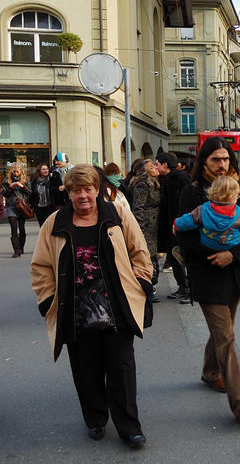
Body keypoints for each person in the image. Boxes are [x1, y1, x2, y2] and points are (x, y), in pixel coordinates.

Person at [30, 164, 152, 449]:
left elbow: (139, 250)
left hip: (116, 307)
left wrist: (142, 283)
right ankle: (95, 418)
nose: (83, 195)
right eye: (76, 190)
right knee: (86, 370)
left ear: (98, 190)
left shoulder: (116, 214)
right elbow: (40, 267)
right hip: (75, 309)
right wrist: (48, 299)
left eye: (88, 189)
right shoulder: (55, 223)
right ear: (68, 192)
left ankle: (129, 427)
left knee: (121, 369)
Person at [175, 136, 240, 424]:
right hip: (207, 274)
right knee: (225, 335)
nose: (222, 164)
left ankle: (210, 371)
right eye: (216, 159)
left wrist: (233, 255)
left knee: (223, 330)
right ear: (205, 161)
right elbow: (183, 235)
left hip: (236, 273)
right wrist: (216, 254)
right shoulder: (192, 193)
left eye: (226, 159)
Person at [174, 175, 240, 251]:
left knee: (189, 240)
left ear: (212, 193)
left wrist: (177, 224)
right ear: (234, 196)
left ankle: (182, 253)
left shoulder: (203, 209)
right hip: (231, 245)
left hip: (207, 245)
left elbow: (189, 220)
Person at [156, 152, 191, 301]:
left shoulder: (179, 179)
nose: (156, 166)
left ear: (165, 164)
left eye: (157, 163)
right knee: (173, 256)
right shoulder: (169, 179)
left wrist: (177, 224)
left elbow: (180, 205)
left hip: (178, 227)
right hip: (172, 225)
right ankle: (183, 287)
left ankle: (187, 289)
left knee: (179, 257)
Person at [129, 159, 161, 302]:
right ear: (146, 169)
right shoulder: (143, 184)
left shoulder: (153, 182)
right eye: (152, 165)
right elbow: (138, 208)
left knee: (152, 257)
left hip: (153, 225)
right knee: (147, 258)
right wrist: (140, 228)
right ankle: (148, 289)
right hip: (146, 226)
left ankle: (150, 288)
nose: (156, 167)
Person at [2, 162, 32, 257]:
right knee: (14, 229)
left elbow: (30, 192)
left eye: (17, 171)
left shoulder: (25, 179)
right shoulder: (7, 180)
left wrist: (22, 186)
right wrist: (10, 187)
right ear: (11, 171)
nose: (15, 173)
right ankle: (16, 250)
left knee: (22, 228)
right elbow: (4, 193)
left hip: (22, 206)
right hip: (11, 206)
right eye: (14, 171)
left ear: (21, 171)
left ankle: (21, 247)